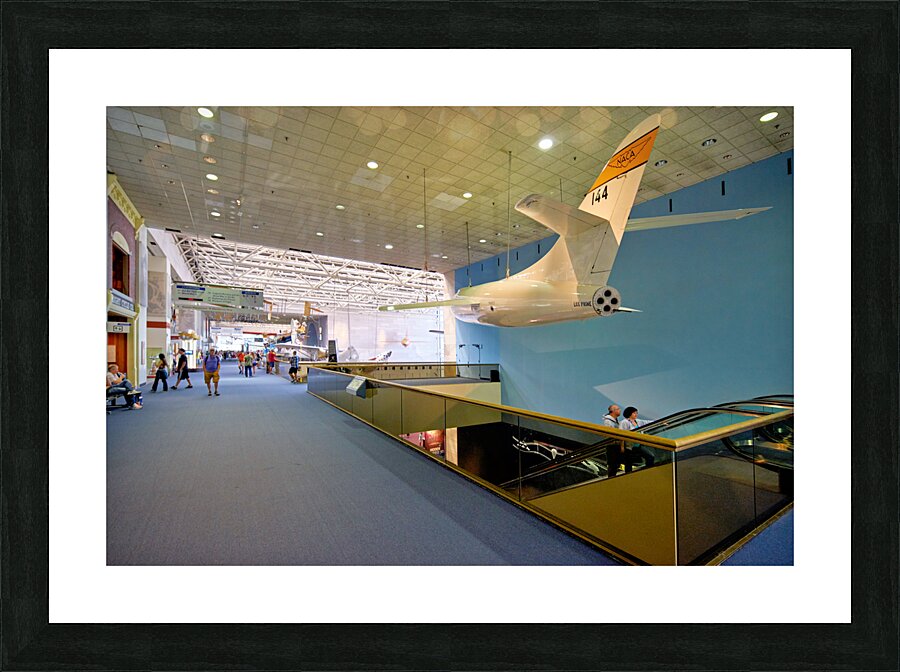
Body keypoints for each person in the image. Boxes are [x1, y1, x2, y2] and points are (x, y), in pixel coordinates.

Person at [618, 406, 656, 471]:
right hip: (629, 447)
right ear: (630, 413)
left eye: (636, 413)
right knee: (629, 463)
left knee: (650, 456)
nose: (636, 414)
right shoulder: (624, 422)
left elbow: (647, 422)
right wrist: (622, 446)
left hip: (638, 445)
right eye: (634, 413)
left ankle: (649, 470)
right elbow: (621, 434)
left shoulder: (637, 421)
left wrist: (660, 422)